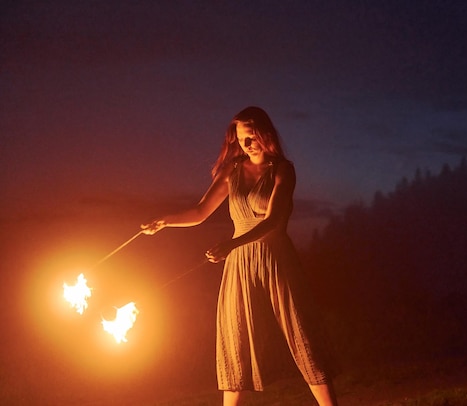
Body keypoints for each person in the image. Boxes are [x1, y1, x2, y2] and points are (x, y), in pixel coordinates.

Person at [141, 106, 338, 406]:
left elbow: (273, 221)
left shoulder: (283, 170)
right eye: (241, 139)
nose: (247, 144)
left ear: (265, 133)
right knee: (235, 338)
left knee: (301, 332)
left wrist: (231, 245)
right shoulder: (232, 171)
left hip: (275, 259)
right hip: (239, 264)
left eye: (252, 137)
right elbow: (200, 211)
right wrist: (165, 220)